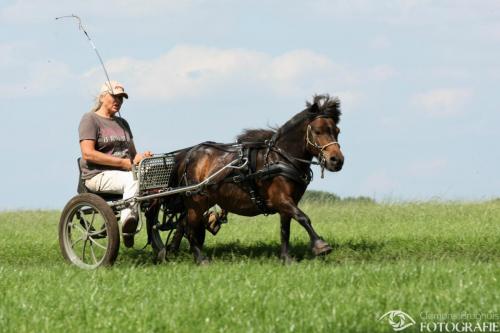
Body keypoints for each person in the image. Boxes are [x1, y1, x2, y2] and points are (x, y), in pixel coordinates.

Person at [78, 80, 152, 248]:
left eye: (121, 98)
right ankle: (128, 225)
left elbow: (132, 157)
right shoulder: (90, 119)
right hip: (97, 175)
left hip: (125, 172)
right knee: (132, 180)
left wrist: (142, 158)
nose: (118, 101)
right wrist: (123, 163)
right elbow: (88, 153)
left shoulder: (123, 123)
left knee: (160, 173)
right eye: (115, 97)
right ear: (103, 97)